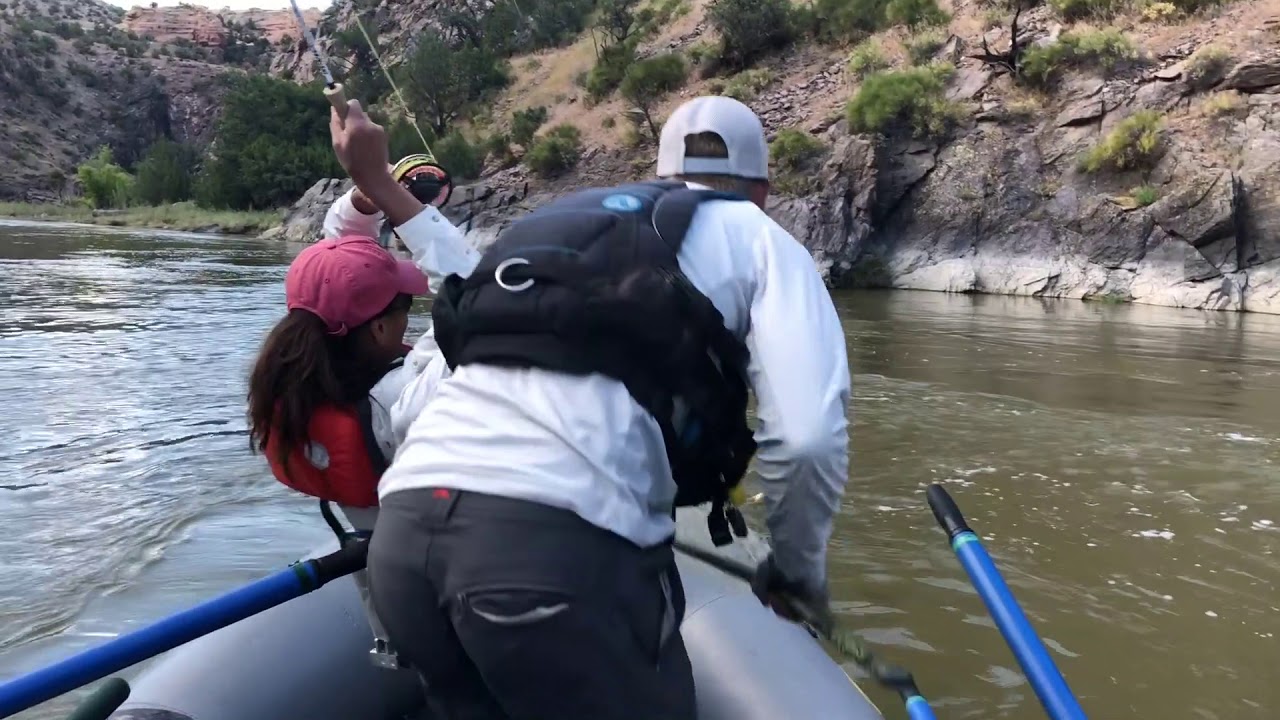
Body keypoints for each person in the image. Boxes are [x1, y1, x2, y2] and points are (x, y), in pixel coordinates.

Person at [334, 94, 851, 720]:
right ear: (763, 190)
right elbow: (806, 439)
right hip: (545, 564)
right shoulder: (762, 238)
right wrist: (795, 572)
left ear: (660, 175)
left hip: (403, 543)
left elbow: (461, 295)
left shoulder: (567, 223)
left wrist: (380, 186)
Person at [246, 155, 478, 670]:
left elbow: (337, 255)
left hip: (385, 577)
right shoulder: (405, 399)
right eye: (404, 309)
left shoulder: (300, 376)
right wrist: (414, 217)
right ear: (377, 329)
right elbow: (475, 301)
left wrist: (364, 200)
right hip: (453, 591)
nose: (411, 315)